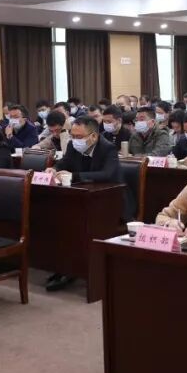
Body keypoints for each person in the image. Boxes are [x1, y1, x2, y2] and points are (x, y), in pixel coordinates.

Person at [49, 117, 125, 290]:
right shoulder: (72, 145)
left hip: (110, 202)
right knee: (61, 220)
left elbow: (106, 174)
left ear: (93, 136)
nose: (75, 140)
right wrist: (54, 169)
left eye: (79, 137)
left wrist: (74, 176)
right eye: (72, 136)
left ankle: (77, 269)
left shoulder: (108, 148)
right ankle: (65, 267)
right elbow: (64, 163)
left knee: (76, 223)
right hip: (83, 197)